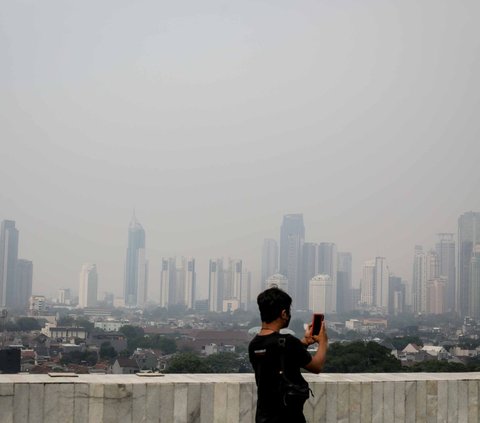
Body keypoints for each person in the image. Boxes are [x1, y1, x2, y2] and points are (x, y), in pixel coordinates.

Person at [249, 287, 328, 423]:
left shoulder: (254, 344)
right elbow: (317, 366)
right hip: (288, 417)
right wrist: (323, 342)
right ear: (284, 313)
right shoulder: (288, 342)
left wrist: (304, 342)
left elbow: (280, 357)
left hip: (264, 416)